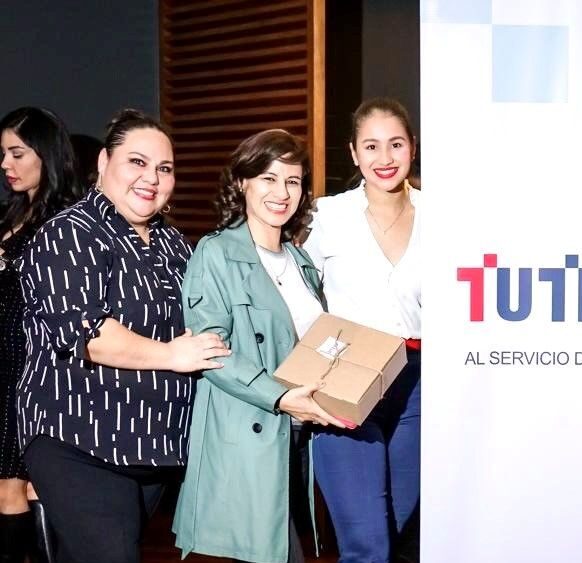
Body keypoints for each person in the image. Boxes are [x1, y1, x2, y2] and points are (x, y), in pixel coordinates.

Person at [17, 109, 230, 563]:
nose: (151, 177)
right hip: (78, 439)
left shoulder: (174, 243)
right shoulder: (67, 234)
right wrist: (173, 355)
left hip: (155, 446)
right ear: (103, 162)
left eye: (164, 168)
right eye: (137, 162)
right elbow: (89, 334)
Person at [174, 129, 351, 563]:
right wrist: (280, 396)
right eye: (268, 178)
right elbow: (210, 350)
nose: (282, 192)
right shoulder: (215, 252)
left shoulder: (301, 261)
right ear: (242, 183)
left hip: (300, 434)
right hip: (249, 431)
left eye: (292, 181)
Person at [304, 98, 422, 562]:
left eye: (396, 144)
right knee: (366, 545)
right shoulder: (325, 216)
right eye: (371, 146)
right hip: (346, 375)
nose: (385, 157)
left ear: (413, 147)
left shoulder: (445, 216)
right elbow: (295, 294)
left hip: (419, 386)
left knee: (400, 538)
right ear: (353, 153)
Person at [0, 107, 83, 562]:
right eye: (3, 154)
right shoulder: (12, 213)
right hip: (4, 368)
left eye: (17, 153)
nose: (6, 164)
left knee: (13, 488)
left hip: (29, 373)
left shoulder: (64, 222)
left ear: (46, 154)